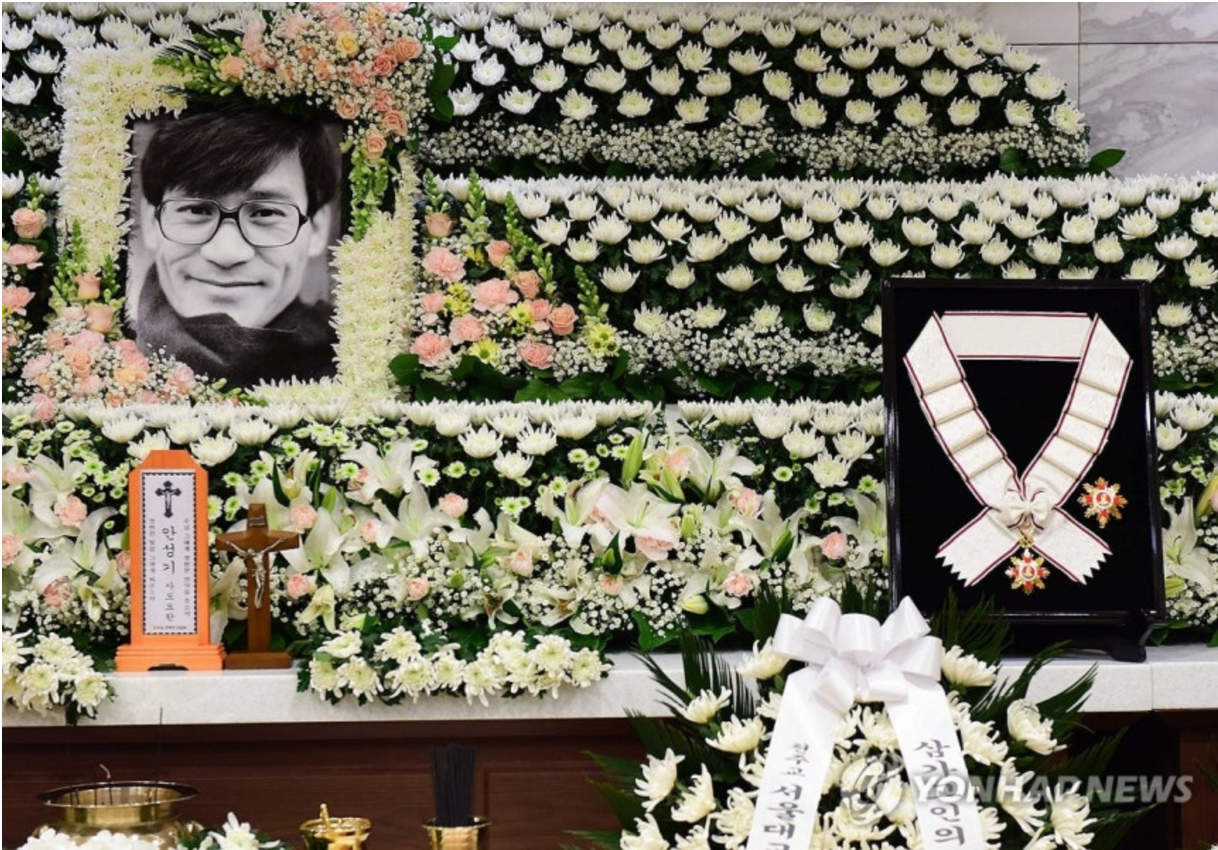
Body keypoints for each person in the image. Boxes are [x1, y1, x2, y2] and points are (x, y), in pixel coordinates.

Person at [133, 109, 341, 387]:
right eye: (196, 209)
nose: (226, 253)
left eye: (265, 213)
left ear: (316, 228)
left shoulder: (358, 368)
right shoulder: (100, 352)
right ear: (151, 221)